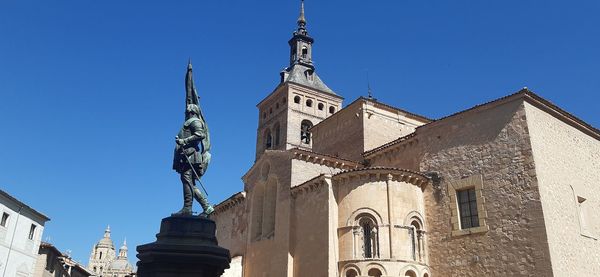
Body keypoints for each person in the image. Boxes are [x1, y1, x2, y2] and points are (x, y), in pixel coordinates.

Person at [172, 104, 214, 216]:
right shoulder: (190, 122)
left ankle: (187, 208)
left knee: (187, 181)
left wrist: (184, 141)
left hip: (191, 157)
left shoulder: (195, 121)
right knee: (189, 183)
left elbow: (200, 135)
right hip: (186, 157)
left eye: (187, 111)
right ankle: (206, 207)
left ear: (192, 111)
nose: (186, 112)